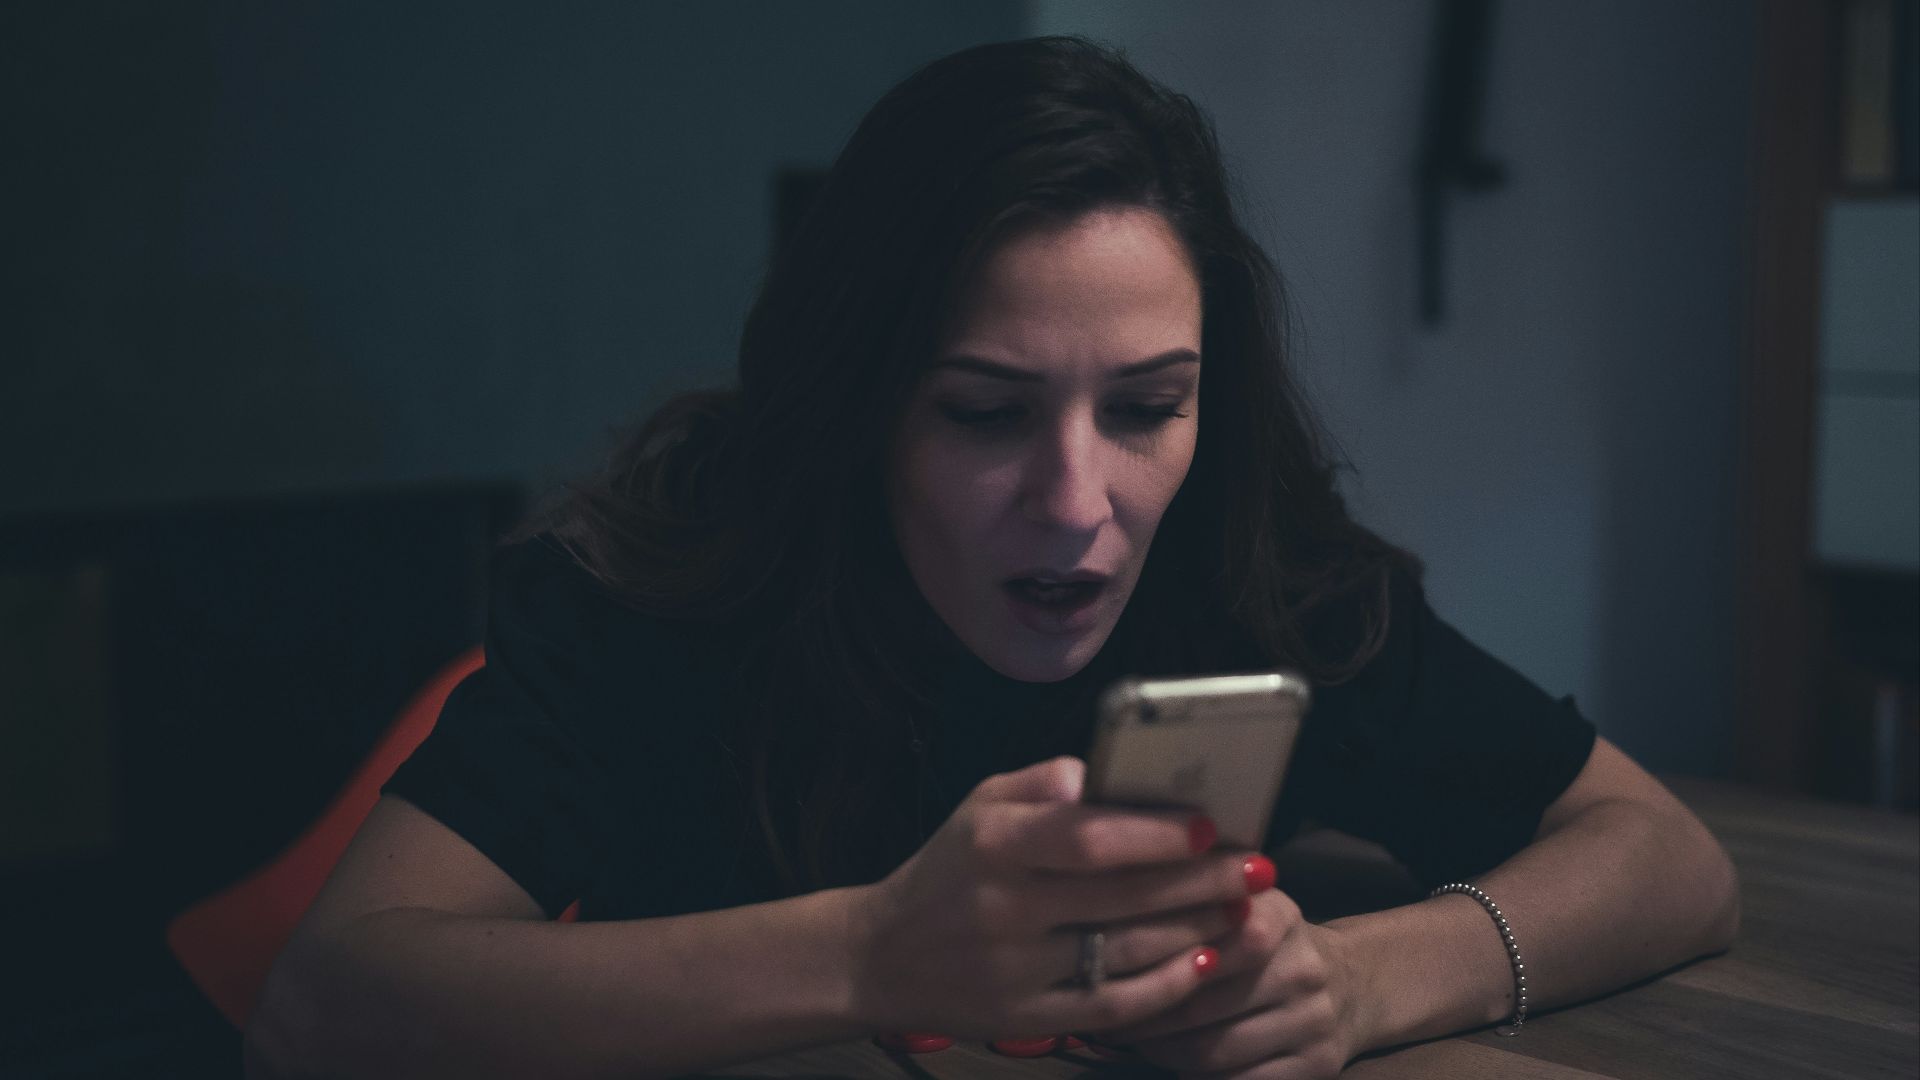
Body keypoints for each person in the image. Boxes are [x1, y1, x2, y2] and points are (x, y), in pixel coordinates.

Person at [244, 36, 1739, 1080]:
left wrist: (1361, 983)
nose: (1078, 502)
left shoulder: (1255, 574)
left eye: (1149, 406)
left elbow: (1665, 855)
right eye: (984, 412)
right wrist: (875, 954)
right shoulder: (678, 589)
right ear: (861, 405)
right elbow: (324, 1009)